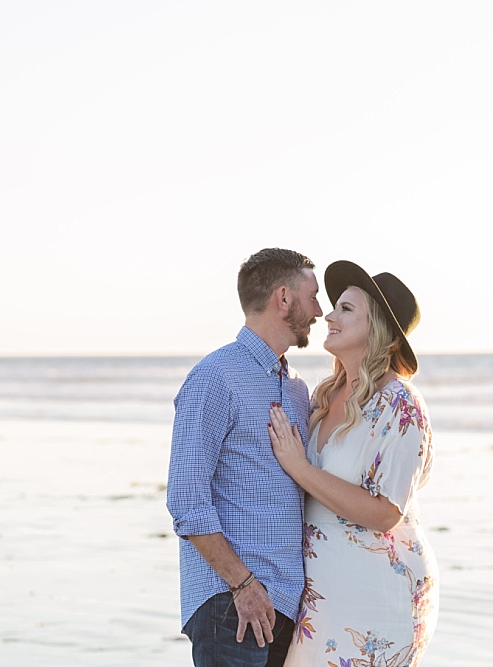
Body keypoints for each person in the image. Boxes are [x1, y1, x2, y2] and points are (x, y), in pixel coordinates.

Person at [267, 260, 438, 667]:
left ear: (378, 329)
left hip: (378, 595)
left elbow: (384, 514)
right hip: (321, 596)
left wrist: (300, 467)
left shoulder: (400, 404)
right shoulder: (322, 397)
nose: (328, 315)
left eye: (345, 309)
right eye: (334, 306)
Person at [166, 247, 324, 667]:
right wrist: (242, 585)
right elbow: (185, 500)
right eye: (313, 296)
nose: (320, 310)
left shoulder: (295, 389)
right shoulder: (214, 377)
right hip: (232, 605)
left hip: (285, 605)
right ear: (284, 298)